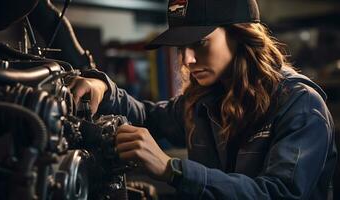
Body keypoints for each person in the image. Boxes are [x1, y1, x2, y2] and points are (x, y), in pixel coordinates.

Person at [70, 0, 337, 199]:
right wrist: (103, 87)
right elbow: (148, 117)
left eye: (200, 42)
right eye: (180, 48)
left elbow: (278, 194)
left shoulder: (301, 104)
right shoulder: (205, 100)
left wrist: (172, 170)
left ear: (240, 35)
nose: (187, 59)